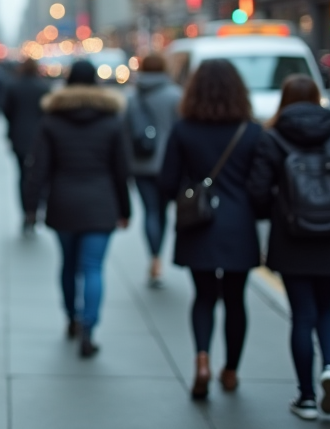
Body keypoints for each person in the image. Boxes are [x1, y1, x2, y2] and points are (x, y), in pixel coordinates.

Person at [247, 75, 330, 420]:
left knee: (302, 315)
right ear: (318, 97)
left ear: (284, 100)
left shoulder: (272, 138)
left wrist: (273, 213)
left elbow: (258, 192)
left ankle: (306, 398)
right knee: (326, 311)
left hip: (292, 239)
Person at [159, 59, 262, 400]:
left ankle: (202, 360)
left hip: (198, 223)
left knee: (203, 297)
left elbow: (167, 182)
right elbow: (262, 186)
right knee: (235, 300)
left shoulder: (184, 129)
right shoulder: (251, 131)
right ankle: (230, 370)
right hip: (238, 224)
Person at [23, 60, 131, 358]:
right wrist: (125, 209)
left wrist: (31, 207)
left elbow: (38, 169)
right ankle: (89, 328)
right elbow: (121, 171)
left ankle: (71, 317)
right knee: (93, 267)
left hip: (63, 202)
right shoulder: (111, 120)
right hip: (101, 203)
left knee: (69, 265)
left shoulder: (52, 120)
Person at [126, 53, 182, 287]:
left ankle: (154, 258)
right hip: (169, 164)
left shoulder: (132, 97)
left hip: (141, 164)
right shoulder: (175, 96)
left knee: (150, 212)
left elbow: (126, 133)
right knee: (162, 212)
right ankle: (159, 258)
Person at [3, 58, 53, 234]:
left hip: (19, 136)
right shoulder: (43, 87)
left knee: (23, 175)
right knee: (40, 174)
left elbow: (6, 110)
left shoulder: (13, 86)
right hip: (41, 137)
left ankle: (27, 211)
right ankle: (35, 208)